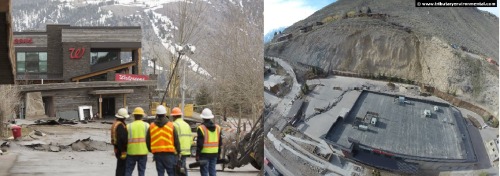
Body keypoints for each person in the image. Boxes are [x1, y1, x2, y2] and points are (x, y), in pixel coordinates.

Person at [146, 105, 181, 176]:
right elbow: (176, 140)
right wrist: (178, 151)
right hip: (169, 154)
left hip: (157, 155)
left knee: (160, 173)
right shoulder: (171, 125)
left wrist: (151, 150)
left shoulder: (152, 126)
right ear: (165, 114)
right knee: (171, 173)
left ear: (157, 114)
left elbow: (147, 141)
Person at [196, 108, 222, 176]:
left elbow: (200, 144)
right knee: (212, 171)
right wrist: (219, 154)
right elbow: (220, 143)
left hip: (204, 154)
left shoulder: (201, 128)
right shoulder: (218, 128)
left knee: (204, 171)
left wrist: (197, 154)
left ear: (203, 118)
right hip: (214, 153)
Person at [125, 107, 150, 176]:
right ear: (142, 116)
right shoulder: (147, 126)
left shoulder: (128, 126)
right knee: (141, 172)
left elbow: (124, 140)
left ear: (134, 116)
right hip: (143, 152)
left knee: (128, 171)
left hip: (131, 152)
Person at [171, 107, 193, 175]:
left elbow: (172, 139)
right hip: (186, 151)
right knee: (183, 168)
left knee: (176, 170)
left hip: (177, 151)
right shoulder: (187, 125)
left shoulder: (173, 125)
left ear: (174, 116)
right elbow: (191, 139)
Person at [111, 108, 129, 176]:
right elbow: (122, 139)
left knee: (120, 167)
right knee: (122, 168)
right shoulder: (120, 126)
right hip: (121, 149)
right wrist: (123, 151)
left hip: (117, 148)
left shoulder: (116, 123)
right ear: (123, 117)